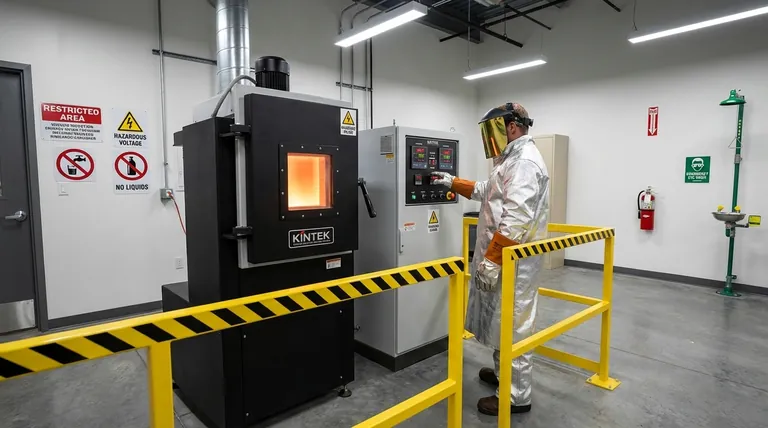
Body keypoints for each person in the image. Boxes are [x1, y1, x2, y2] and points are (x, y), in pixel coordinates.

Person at [432, 103, 549, 416]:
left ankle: (515, 397)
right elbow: (489, 191)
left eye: (491, 130)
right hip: (505, 259)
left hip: (515, 264)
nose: (488, 138)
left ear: (511, 127)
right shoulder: (509, 160)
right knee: (502, 321)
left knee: (514, 325)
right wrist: (452, 182)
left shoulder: (524, 162)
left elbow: (516, 219)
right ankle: (503, 376)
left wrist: (492, 261)